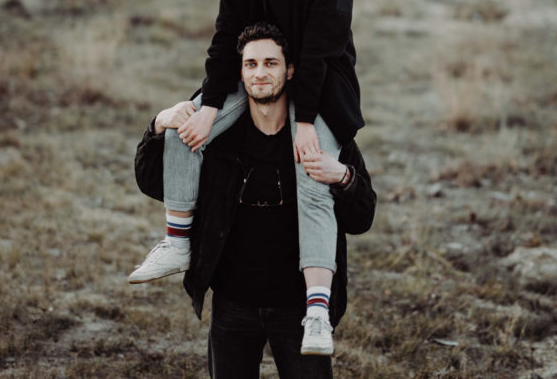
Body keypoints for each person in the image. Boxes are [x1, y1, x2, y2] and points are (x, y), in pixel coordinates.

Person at [128, 0, 364, 354]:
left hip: (321, 85)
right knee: (185, 129)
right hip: (258, 75)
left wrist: (304, 122)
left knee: (312, 173)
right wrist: (210, 106)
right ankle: (177, 242)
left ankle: (316, 312)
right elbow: (223, 43)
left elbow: (320, 50)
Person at [134, 22, 376, 376]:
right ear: (240, 72)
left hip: (299, 307)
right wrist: (158, 126)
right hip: (233, 303)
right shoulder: (218, 138)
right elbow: (154, 182)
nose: (260, 73)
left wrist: (342, 176)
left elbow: (362, 218)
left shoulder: (322, 138)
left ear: (290, 70)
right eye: (251, 64)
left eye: (270, 63)